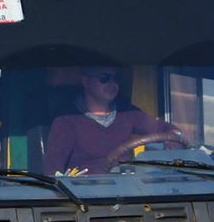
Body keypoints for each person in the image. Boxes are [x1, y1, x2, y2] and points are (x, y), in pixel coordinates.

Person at [42, 67, 184, 175]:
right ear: (86, 81)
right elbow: (53, 169)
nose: (112, 83)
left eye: (117, 79)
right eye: (104, 78)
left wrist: (173, 135)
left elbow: (162, 128)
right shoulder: (66, 120)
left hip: (129, 189)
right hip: (87, 198)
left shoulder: (126, 111)